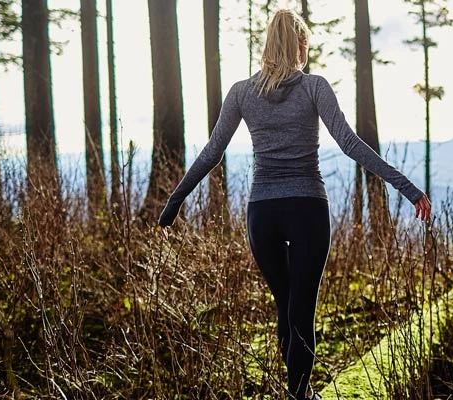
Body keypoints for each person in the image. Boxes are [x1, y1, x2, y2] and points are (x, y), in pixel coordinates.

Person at [156, 9, 431, 399]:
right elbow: (350, 145)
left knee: (286, 303)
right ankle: (301, 394)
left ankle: (298, 391)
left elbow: (212, 153)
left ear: (268, 44)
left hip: (262, 214)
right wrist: (409, 189)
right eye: (306, 42)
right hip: (307, 209)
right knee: (301, 307)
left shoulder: (241, 92)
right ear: (299, 44)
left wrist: (174, 202)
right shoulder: (314, 86)